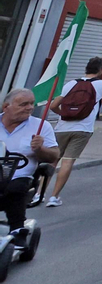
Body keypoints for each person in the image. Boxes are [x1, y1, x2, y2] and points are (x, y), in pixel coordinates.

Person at [44, 55, 102, 207]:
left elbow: (53, 105)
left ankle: (38, 194)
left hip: (62, 127)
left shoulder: (72, 83)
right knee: (68, 161)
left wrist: (65, 114)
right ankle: (54, 197)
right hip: (82, 129)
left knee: (52, 161)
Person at [1, 88, 60, 237]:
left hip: (20, 175)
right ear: (6, 107)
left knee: (14, 188)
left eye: (31, 103)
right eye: (23, 104)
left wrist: (40, 149)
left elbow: (54, 156)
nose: (29, 108)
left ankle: (17, 229)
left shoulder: (40, 126)